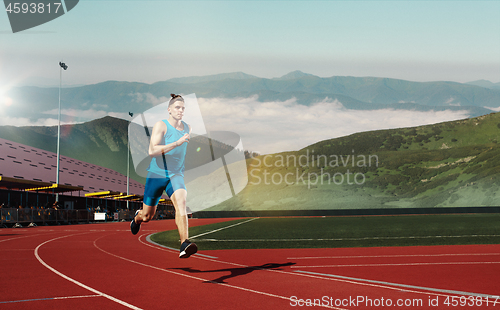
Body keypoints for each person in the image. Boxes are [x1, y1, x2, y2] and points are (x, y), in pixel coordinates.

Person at [131, 94, 198, 258]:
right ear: (169, 109)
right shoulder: (161, 125)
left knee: (181, 202)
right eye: (177, 107)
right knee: (147, 216)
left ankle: (184, 244)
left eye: (183, 108)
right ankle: (137, 219)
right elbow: (152, 151)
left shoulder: (188, 128)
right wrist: (177, 143)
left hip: (175, 175)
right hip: (156, 175)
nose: (180, 110)